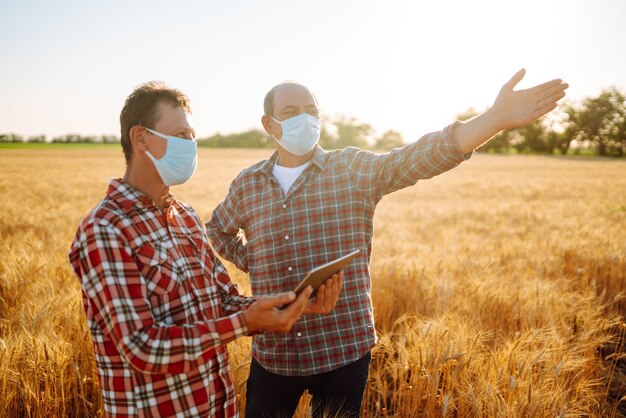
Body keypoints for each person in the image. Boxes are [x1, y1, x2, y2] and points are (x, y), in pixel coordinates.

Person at [205, 69, 568, 417]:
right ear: (269, 124)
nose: (305, 119)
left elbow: (415, 159)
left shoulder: (350, 169)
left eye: (311, 110)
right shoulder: (248, 183)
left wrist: (493, 119)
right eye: (291, 112)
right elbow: (217, 229)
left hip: (343, 346)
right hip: (275, 351)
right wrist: (256, 260)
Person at [68, 81, 342, 418]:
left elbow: (224, 300)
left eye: (192, 136)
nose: (191, 146)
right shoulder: (105, 229)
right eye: (181, 135)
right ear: (140, 138)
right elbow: (142, 348)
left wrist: (291, 305)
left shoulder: (184, 217)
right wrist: (243, 322)